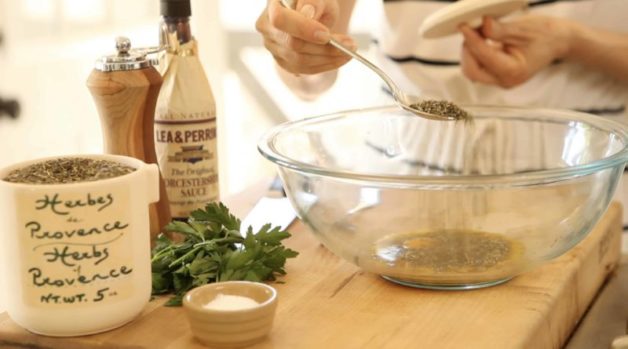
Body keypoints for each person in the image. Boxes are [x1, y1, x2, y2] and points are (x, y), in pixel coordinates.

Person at [255, 0, 628, 121]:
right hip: (409, 197)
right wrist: (298, 50)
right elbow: (309, 83)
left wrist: (572, 41)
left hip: (595, 205)